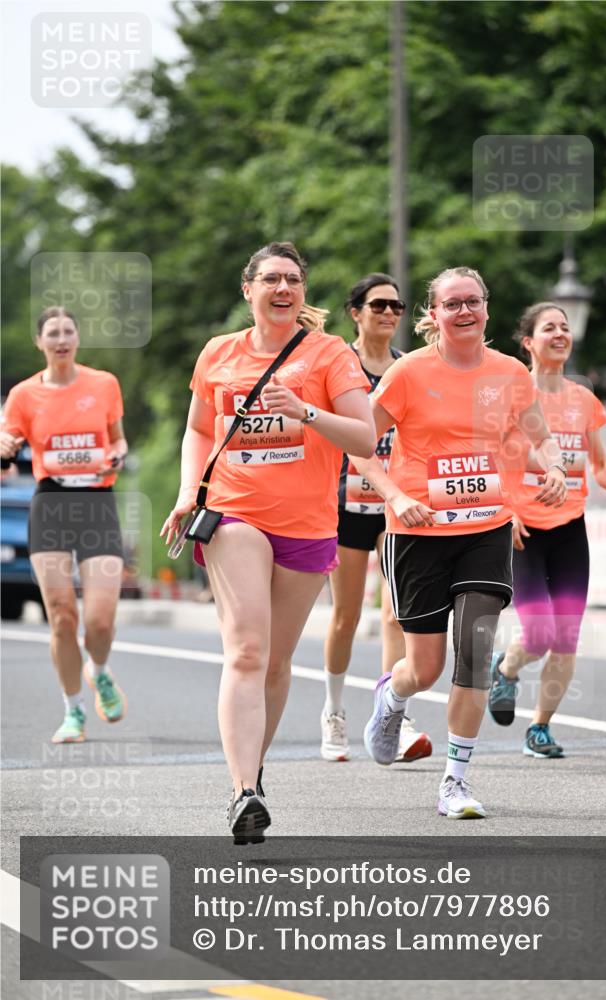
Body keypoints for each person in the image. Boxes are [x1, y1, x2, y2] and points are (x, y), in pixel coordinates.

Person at [161, 242, 375, 844]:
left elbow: (365, 438)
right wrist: (188, 492)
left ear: (303, 291)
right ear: (248, 288)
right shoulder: (218, 353)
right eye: (272, 279)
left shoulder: (330, 354)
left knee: (277, 662)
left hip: (308, 524)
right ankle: (242, 792)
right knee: (248, 651)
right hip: (234, 513)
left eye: (293, 280)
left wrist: (306, 412)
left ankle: (251, 771)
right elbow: (198, 429)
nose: (284, 289)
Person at [352, 266, 567, 819]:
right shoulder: (408, 372)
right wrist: (395, 496)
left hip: (485, 528)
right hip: (418, 532)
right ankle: (392, 697)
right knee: (424, 668)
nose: (464, 311)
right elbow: (358, 443)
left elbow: (537, 434)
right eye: (452, 304)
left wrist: (553, 467)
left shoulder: (510, 373)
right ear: (434, 314)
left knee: (473, 653)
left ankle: (455, 782)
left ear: (487, 308)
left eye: (473, 301)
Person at [487, 302, 606, 756]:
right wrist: (505, 511)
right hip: (523, 529)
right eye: (549, 328)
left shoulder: (583, 399)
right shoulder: (512, 395)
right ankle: (506, 669)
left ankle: (540, 729)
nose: (560, 334)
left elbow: (599, 465)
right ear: (528, 342)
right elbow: (489, 459)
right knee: (539, 633)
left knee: (566, 638)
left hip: (570, 528)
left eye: (565, 327)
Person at [0, 306, 128, 744]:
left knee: (100, 621)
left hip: (97, 504)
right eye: (52, 333)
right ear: (40, 342)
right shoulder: (23, 395)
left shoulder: (104, 384)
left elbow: (118, 440)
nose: (61, 339)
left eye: (68, 331)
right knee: (61, 616)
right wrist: (4, 447)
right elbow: (6, 449)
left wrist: (117, 456)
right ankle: (73, 710)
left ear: (77, 338)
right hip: (51, 505)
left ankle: (99, 670)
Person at [321, 273, 432, 764]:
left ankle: (393, 716)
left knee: (394, 614)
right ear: (356, 312)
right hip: (345, 503)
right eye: (379, 305)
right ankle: (334, 711)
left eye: (397, 307)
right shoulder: (338, 365)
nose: (389, 314)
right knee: (346, 616)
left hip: (397, 504)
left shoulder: (408, 368)